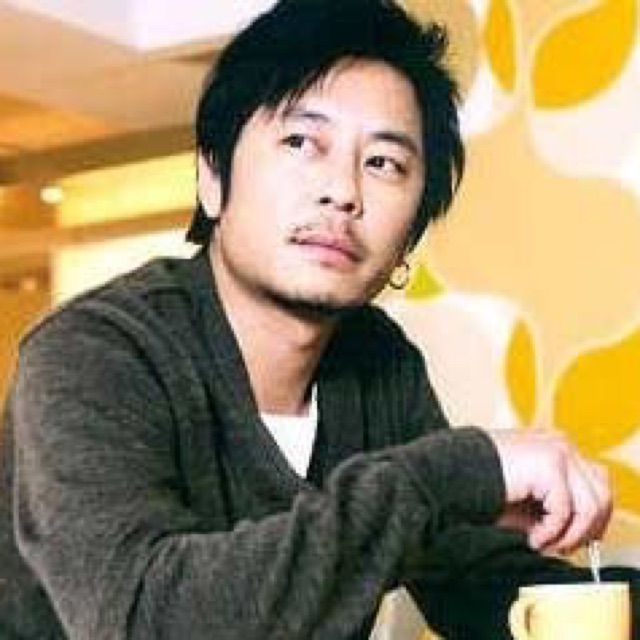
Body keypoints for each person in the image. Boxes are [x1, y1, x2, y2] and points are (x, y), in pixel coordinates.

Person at [0, 0, 637, 638]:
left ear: (410, 233)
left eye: (384, 163)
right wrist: (456, 472)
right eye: (302, 142)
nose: (343, 192)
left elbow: (478, 584)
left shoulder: (377, 363)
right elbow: (147, 618)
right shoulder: (91, 354)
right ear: (212, 177)